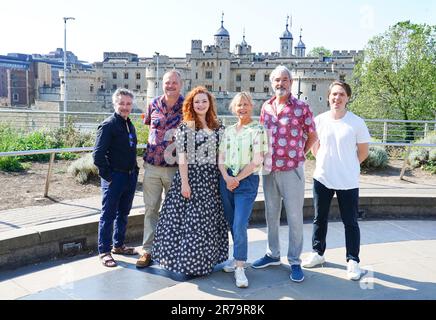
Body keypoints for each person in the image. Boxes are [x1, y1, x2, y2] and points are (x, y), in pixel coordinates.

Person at [151, 86, 229, 276]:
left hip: (211, 181)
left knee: (207, 223)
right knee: (189, 224)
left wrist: (226, 176)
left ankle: (204, 262)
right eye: (197, 102)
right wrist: (185, 183)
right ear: (191, 105)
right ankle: (189, 264)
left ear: (209, 103)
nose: (201, 104)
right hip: (191, 179)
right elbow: (183, 158)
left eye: (204, 101)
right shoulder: (186, 127)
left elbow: (221, 157)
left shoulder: (219, 126)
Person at [252, 65, 317, 283]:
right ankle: (273, 254)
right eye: (277, 80)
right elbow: (261, 135)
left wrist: (301, 152)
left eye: (285, 80)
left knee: (295, 216)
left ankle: (295, 260)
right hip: (269, 170)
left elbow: (312, 136)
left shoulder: (301, 107)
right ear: (272, 83)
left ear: (291, 82)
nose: (280, 84)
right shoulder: (266, 106)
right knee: (271, 214)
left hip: (292, 171)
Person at [302, 80, 370, 281]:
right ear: (329, 97)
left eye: (341, 94)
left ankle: (353, 261)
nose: (337, 98)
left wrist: (347, 165)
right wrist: (324, 161)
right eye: (334, 94)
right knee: (318, 218)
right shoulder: (320, 120)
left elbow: (363, 152)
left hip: (347, 180)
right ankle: (318, 253)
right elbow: (315, 146)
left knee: (350, 222)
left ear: (347, 98)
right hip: (322, 177)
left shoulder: (357, 122)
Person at [218, 92, 268, 288]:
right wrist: (226, 177)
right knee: (232, 222)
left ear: (252, 107)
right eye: (239, 105)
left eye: (246, 104)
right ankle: (237, 257)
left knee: (240, 224)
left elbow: (258, 159)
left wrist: (236, 179)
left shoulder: (258, 129)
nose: (242, 108)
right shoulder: (228, 130)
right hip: (227, 179)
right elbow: (220, 157)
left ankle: (240, 267)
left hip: (246, 181)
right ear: (233, 108)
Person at [136, 70, 184, 268]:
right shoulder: (153, 103)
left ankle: (172, 252)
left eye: (174, 82)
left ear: (181, 84)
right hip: (153, 167)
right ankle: (147, 250)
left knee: (174, 212)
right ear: (161, 84)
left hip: (175, 169)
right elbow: (150, 128)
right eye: (167, 82)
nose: (170, 85)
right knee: (150, 209)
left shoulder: (187, 107)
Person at [93, 88, 139, 267]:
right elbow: (97, 155)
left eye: (128, 104)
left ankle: (118, 245)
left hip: (129, 176)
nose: (125, 107)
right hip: (115, 177)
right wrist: (108, 177)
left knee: (124, 213)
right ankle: (104, 251)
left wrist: (134, 170)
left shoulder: (129, 123)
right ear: (115, 104)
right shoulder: (108, 125)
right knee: (108, 214)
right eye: (122, 103)